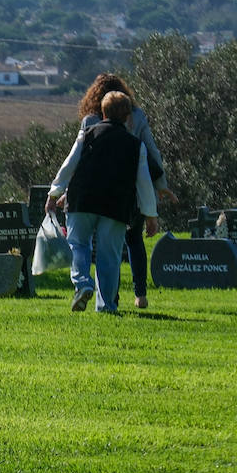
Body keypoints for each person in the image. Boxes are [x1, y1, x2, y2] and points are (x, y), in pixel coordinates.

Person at [69, 73, 176, 309]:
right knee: (126, 243)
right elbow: (151, 151)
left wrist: (64, 190)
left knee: (88, 244)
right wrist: (161, 185)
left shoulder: (90, 121)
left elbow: (78, 160)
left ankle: (96, 291)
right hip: (127, 190)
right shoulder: (136, 117)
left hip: (91, 190)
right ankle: (131, 296)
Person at [46, 91, 158, 314]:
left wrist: (54, 193)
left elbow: (69, 165)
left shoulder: (87, 134)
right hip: (115, 206)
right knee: (110, 257)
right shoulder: (136, 145)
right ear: (128, 117)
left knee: (78, 245)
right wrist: (150, 215)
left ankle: (82, 283)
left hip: (82, 200)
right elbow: (144, 183)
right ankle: (106, 306)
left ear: (102, 112)